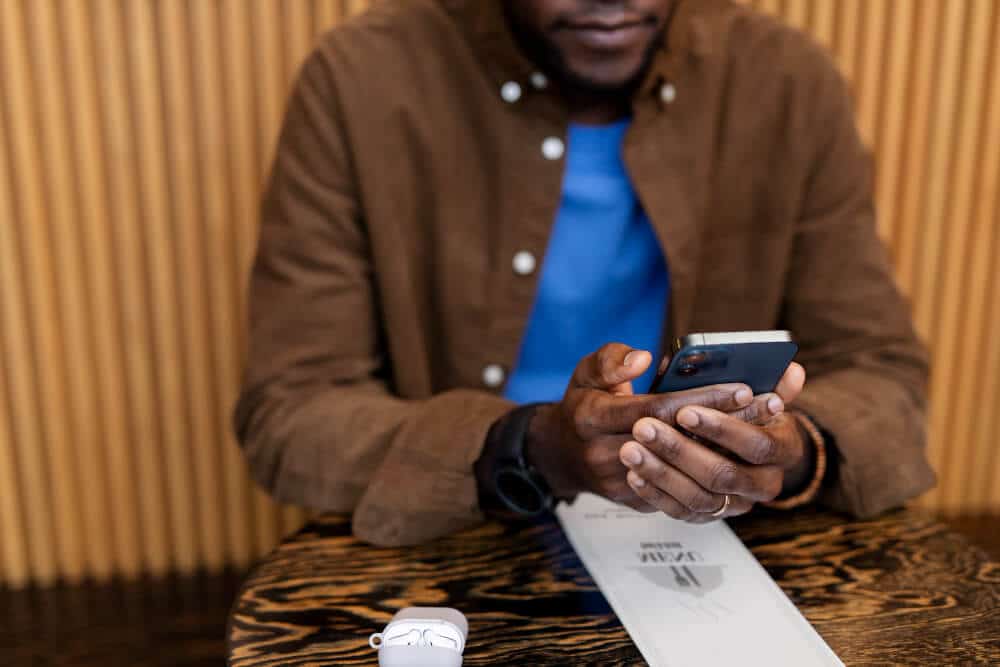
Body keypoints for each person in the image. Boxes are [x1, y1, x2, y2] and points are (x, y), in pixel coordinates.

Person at [233, 0, 935, 546]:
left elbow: (883, 376)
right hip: (457, 543)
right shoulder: (361, 80)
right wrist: (529, 448)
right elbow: (291, 411)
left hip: (725, 550)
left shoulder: (787, 83)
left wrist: (788, 451)